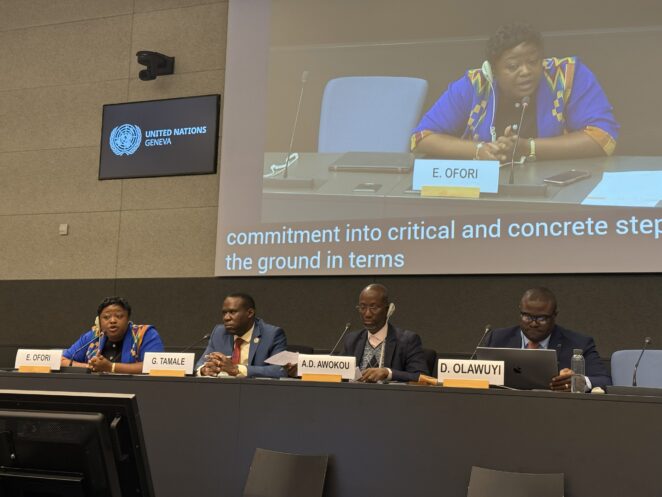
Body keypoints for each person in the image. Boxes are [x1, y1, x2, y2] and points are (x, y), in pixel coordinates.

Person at [411, 23, 619, 162]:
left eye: (533, 61)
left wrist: (528, 148)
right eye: (513, 66)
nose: (526, 71)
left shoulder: (568, 75)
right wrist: (480, 150)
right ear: (493, 70)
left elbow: (603, 138)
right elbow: (422, 138)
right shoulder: (476, 84)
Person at [484, 287, 611, 391]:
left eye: (541, 319)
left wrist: (578, 382)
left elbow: (604, 381)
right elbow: (478, 377)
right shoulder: (497, 339)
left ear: (554, 316)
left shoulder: (578, 343)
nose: (533, 324)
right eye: (527, 317)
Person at [341, 284, 428, 383]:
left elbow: (423, 377)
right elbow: (337, 373)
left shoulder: (407, 340)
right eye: (363, 307)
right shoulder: (352, 340)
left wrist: (388, 373)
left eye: (374, 307)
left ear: (387, 310)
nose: (367, 314)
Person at [62, 296, 164, 374]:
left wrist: (111, 367)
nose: (112, 321)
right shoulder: (93, 336)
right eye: (106, 317)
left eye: (119, 316)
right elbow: (62, 360)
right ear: (99, 321)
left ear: (128, 319)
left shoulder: (145, 334)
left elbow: (155, 366)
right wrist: (89, 367)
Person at [196, 293, 288, 378]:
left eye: (232, 312)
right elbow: (200, 364)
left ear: (250, 313)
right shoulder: (219, 333)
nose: (226, 318)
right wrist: (204, 370)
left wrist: (237, 369)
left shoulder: (271, 334)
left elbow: (280, 370)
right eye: (224, 313)